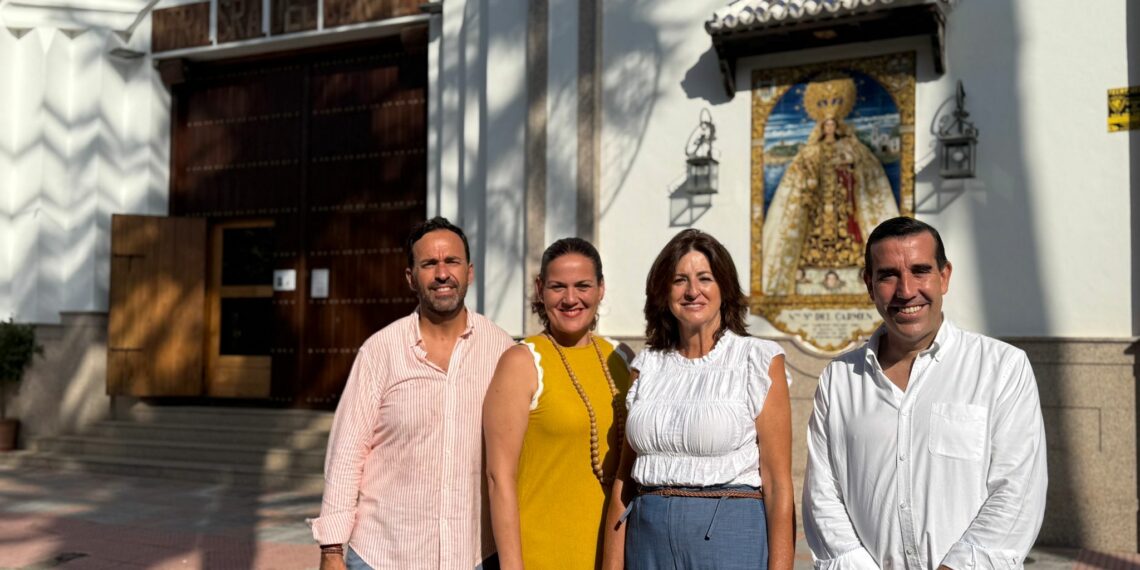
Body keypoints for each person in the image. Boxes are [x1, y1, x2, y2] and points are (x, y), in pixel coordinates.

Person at [803, 217, 1048, 569]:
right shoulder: (839, 379)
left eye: (920, 271)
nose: (906, 290)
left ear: (944, 276)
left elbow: (1017, 492)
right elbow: (822, 496)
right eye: (888, 275)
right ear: (869, 285)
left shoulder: (1002, 369)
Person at [308, 217, 515, 570]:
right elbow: (346, 452)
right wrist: (331, 549)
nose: (442, 274)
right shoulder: (380, 351)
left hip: (476, 555)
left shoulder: (502, 350)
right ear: (410, 277)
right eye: (429, 264)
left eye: (452, 261)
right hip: (384, 556)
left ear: (470, 271)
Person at [603, 229, 795, 570]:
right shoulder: (647, 366)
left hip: (730, 538)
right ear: (664, 292)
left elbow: (779, 485)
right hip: (647, 542)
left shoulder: (758, 360)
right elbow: (624, 477)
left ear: (724, 287)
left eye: (704, 278)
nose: (693, 291)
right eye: (680, 280)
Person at [483, 237, 632, 570]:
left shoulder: (621, 358)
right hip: (544, 553)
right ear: (540, 289)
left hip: (614, 555)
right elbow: (499, 477)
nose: (570, 299)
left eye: (582, 286)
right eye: (557, 287)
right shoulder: (522, 362)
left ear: (601, 288)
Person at [761, 71, 900, 296]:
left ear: (837, 126)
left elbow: (864, 166)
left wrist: (846, 170)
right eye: (825, 125)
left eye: (832, 125)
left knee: (846, 229)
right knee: (815, 231)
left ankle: (850, 259)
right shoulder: (811, 150)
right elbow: (800, 172)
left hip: (842, 199)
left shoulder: (849, 146)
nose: (828, 129)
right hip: (818, 202)